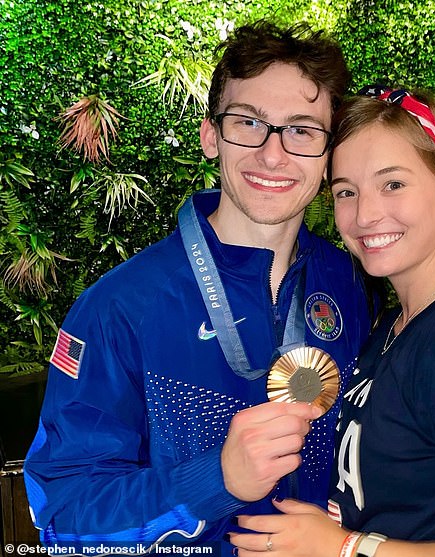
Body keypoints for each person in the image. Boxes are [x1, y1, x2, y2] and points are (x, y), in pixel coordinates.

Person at [23, 22, 374, 555]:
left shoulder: (350, 283)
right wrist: (215, 481)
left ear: (328, 155)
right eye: (248, 122)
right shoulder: (119, 307)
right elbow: (62, 517)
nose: (273, 154)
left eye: (301, 129)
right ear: (212, 135)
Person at [228, 85, 435, 557]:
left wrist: (344, 547)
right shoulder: (396, 324)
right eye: (347, 191)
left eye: (393, 184)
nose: (365, 214)